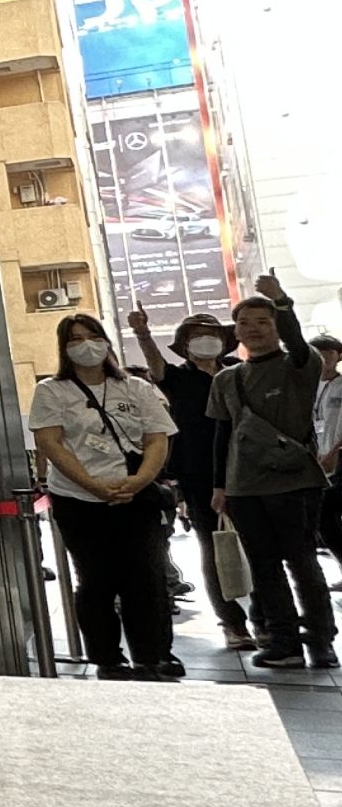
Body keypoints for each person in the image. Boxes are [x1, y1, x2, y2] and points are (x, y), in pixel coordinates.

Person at [28, 315, 178, 680]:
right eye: (75, 339)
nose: (86, 345)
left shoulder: (135, 387)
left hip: (136, 496)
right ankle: (108, 658)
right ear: (64, 348)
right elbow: (50, 443)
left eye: (92, 337)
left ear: (106, 341)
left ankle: (152, 655)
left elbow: (157, 437)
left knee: (146, 579)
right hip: (79, 500)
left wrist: (140, 480)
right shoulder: (52, 390)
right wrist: (92, 485)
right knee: (97, 581)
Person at [211, 274, 336, 671]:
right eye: (244, 322)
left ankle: (321, 640)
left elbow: (297, 342)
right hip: (244, 487)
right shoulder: (226, 378)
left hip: (295, 483)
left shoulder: (299, 365)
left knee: (302, 561)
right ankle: (284, 642)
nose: (253, 329)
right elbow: (223, 434)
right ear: (235, 331)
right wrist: (219, 486)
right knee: (264, 568)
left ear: (277, 326)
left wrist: (281, 301)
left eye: (263, 321)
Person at [128, 309, 252, 650]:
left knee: (258, 546)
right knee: (214, 547)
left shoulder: (238, 372)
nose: (206, 340)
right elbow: (156, 366)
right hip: (198, 472)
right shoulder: (177, 377)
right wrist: (143, 334)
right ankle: (233, 623)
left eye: (212, 334)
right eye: (196, 335)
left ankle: (268, 618)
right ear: (184, 344)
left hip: (248, 467)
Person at [312, 332, 342, 578]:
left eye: (329, 352)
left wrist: (335, 451)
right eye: (319, 353)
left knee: (326, 515)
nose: (324, 358)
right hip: (316, 460)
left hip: (338, 459)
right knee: (323, 520)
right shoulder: (307, 387)